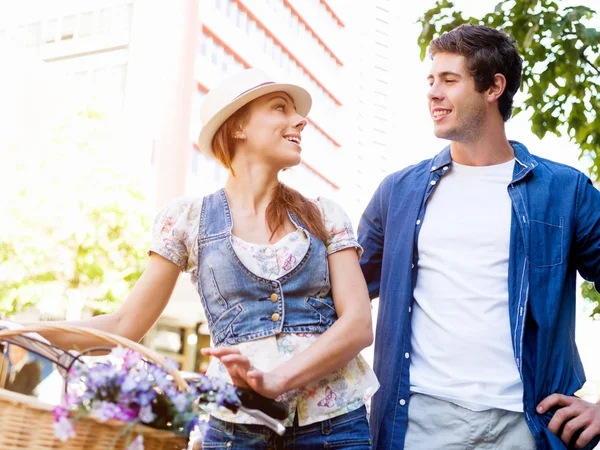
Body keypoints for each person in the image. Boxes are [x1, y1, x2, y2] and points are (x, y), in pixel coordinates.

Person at [32, 68, 378, 449]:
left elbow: (359, 325)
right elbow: (124, 323)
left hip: (334, 426)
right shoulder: (186, 220)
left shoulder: (325, 214)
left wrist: (277, 380)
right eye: (280, 108)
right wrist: (21, 330)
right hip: (235, 428)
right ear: (237, 127)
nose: (300, 120)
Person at [358, 24, 600, 450]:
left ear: (494, 87)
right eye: (431, 80)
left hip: (529, 425)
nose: (433, 92)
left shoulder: (566, 191)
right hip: (420, 421)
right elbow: (339, 297)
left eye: (450, 81)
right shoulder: (397, 193)